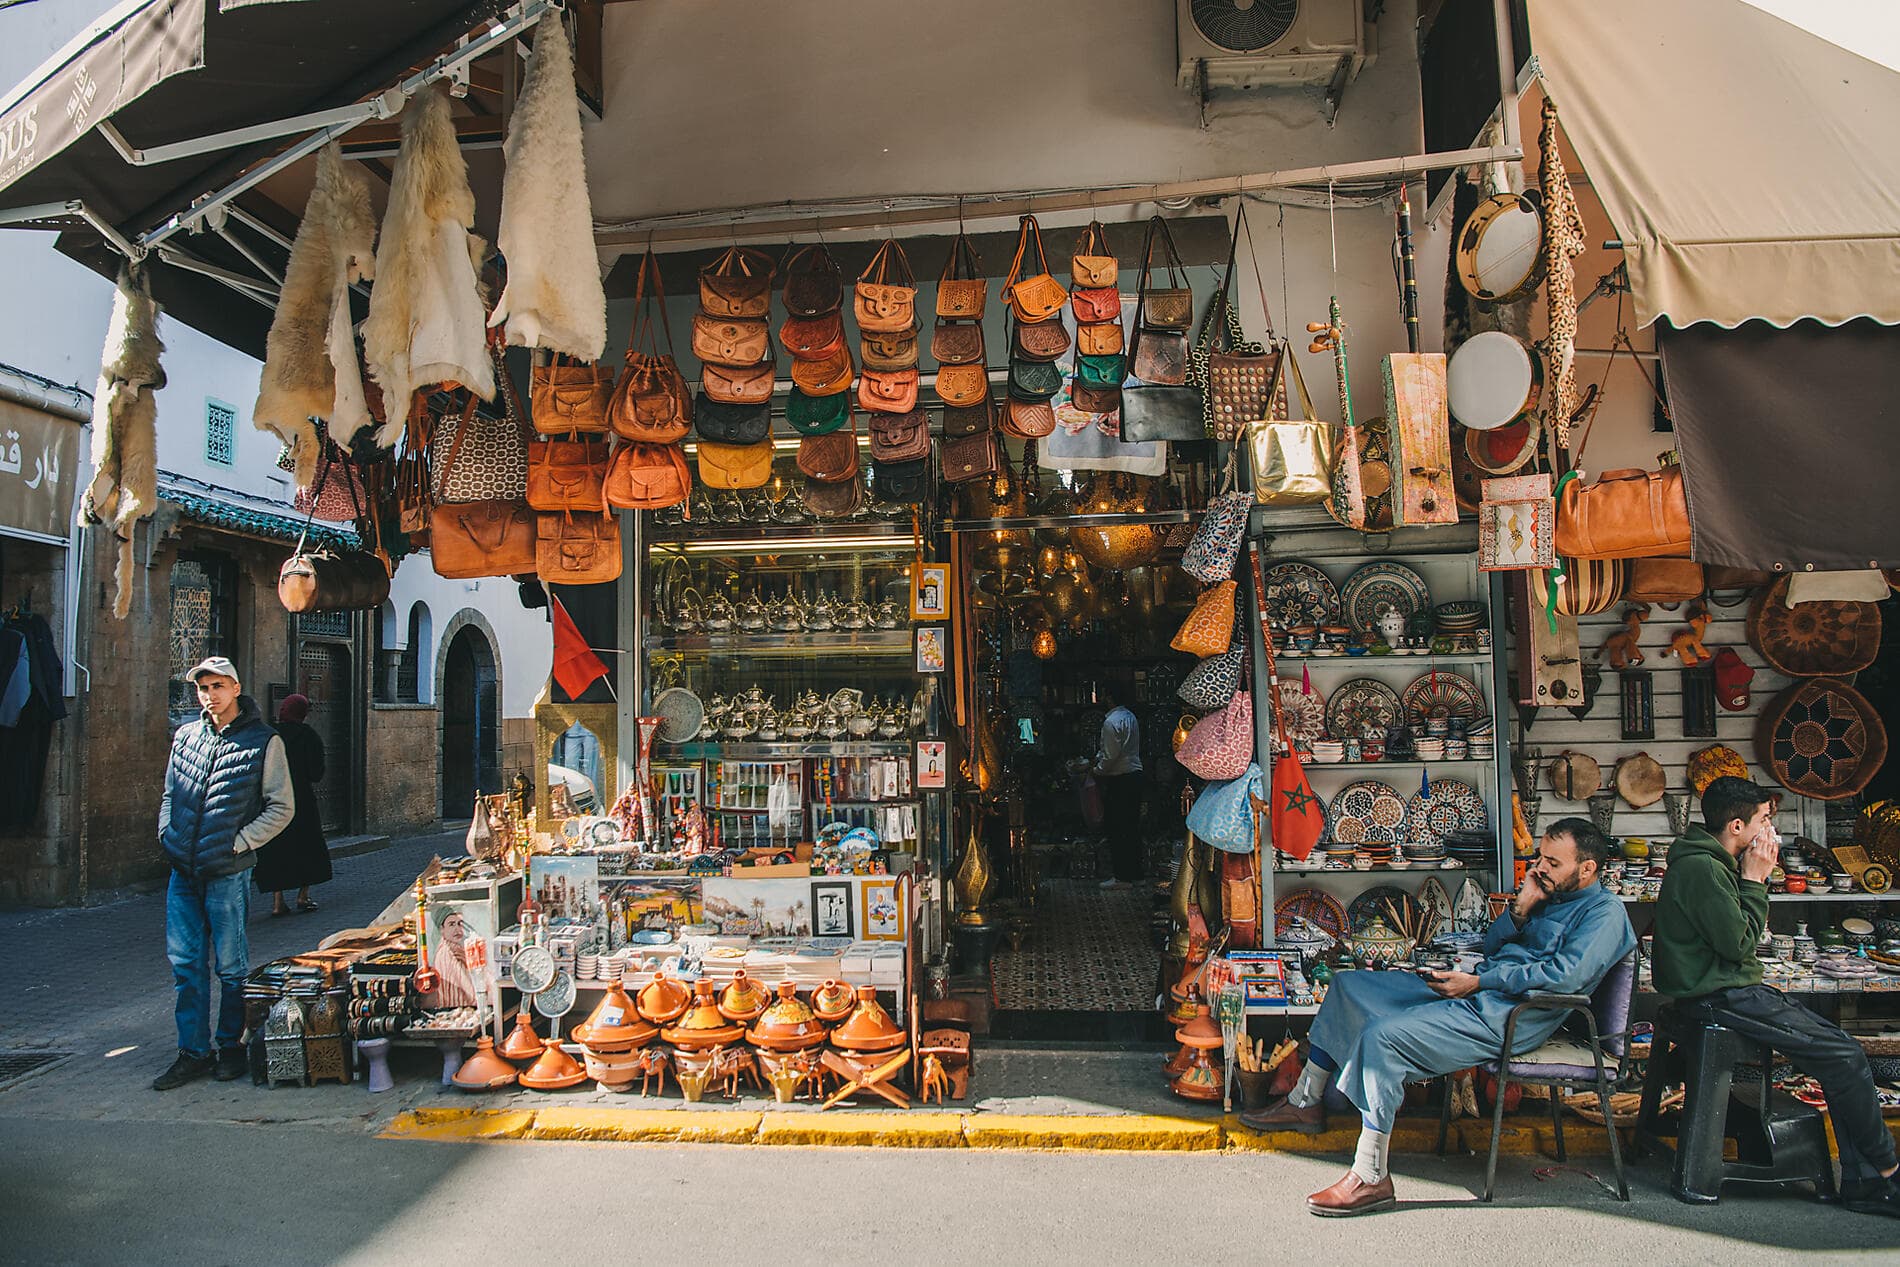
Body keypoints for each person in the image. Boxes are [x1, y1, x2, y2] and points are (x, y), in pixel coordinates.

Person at [1243, 818, 1635, 1217]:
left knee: (1383, 1038)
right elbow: (1494, 945)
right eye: (1540, 857)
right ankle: (1305, 1101)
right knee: (1349, 987)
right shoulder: (1548, 894)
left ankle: (1371, 1176)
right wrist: (1520, 908)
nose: (1539, 867)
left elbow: (1563, 977)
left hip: (1511, 1015)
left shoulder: (1604, 914)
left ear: (1587, 868)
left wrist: (1479, 982)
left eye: (1553, 862)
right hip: (1482, 989)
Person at [1652, 776, 1899, 1217]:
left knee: (1840, 1053)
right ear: (1735, 826)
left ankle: (1867, 1177)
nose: (1770, 829)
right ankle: (1882, 1175)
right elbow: (1740, 946)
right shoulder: (1704, 868)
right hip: (1721, 996)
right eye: (1764, 819)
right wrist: (1755, 879)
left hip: (1728, 989)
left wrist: (1748, 879)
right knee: (1844, 1057)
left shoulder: (1708, 861)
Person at [153, 657, 294, 1090]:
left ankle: (230, 1046)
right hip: (184, 870)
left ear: (235, 687)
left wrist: (240, 842)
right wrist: (167, 833)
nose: (209, 696)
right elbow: (171, 793)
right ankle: (193, 1052)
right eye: (202, 688)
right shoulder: (187, 736)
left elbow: (281, 807)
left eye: (217, 686)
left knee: (231, 967)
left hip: (228, 871)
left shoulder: (263, 742)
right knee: (186, 966)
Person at [254, 694, 332, 916]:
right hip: (301, 801)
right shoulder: (309, 736)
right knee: (308, 847)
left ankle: (278, 901)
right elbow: (316, 773)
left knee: (276, 849)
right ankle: (303, 896)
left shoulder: (269, 735)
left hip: (272, 800)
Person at [1090, 680, 1144, 890]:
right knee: (1131, 827)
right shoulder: (1130, 717)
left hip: (1119, 779)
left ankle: (1122, 876)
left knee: (1117, 827)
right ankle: (1135, 873)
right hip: (1134, 776)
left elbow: (1110, 755)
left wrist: (1096, 770)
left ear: (1109, 697)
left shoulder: (1111, 722)